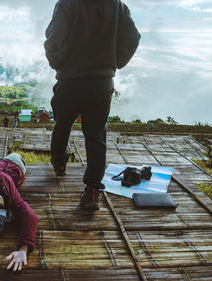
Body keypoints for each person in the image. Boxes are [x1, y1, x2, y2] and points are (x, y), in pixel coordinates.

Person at [44, 0, 140, 210]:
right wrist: (115, 62)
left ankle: (59, 164)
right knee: (96, 136)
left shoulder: (67, 4)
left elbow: (53, 40)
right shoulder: (118, 7)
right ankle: (92, 191)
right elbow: (133, 38)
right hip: (101, 82)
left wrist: (59, 64)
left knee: (62, 126)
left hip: (70, 80)